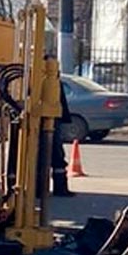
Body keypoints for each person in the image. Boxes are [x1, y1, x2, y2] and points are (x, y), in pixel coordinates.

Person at [48, 62, 75, 198]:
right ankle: (60, 188)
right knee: (56, 156)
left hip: (52, 120)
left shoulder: (50, 80)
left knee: (56, 156)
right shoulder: (49, 80)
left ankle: (57, 188)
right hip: (52, 120)